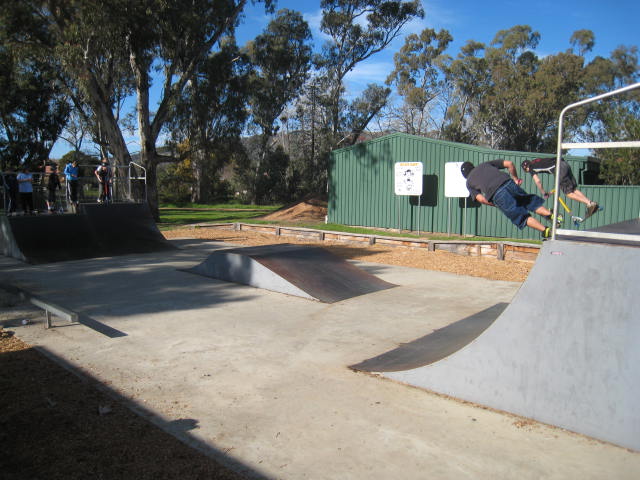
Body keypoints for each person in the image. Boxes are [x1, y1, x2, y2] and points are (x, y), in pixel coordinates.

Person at [461, 159, 556, 239]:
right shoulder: (484, 164)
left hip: (497, 194)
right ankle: (551, 215)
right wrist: (515, 179)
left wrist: (495, 204)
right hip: (508, 182)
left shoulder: (469, 182)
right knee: (528, 202)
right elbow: (509, 163)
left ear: (464, 175)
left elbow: (481, 199)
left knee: (521, 217)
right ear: (472, 166)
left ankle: (546, 230)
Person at [521, 158, 599, 219]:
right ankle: (590, 202)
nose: (528, 172)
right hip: (564, 164)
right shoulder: (535, 161)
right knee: (573, 189)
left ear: (526, 168)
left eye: (527, 171)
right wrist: (550, 193)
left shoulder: (531, 167)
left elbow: (537, 181)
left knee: (568, 193)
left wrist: (543, 192)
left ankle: (589, 204)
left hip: (559, 168)